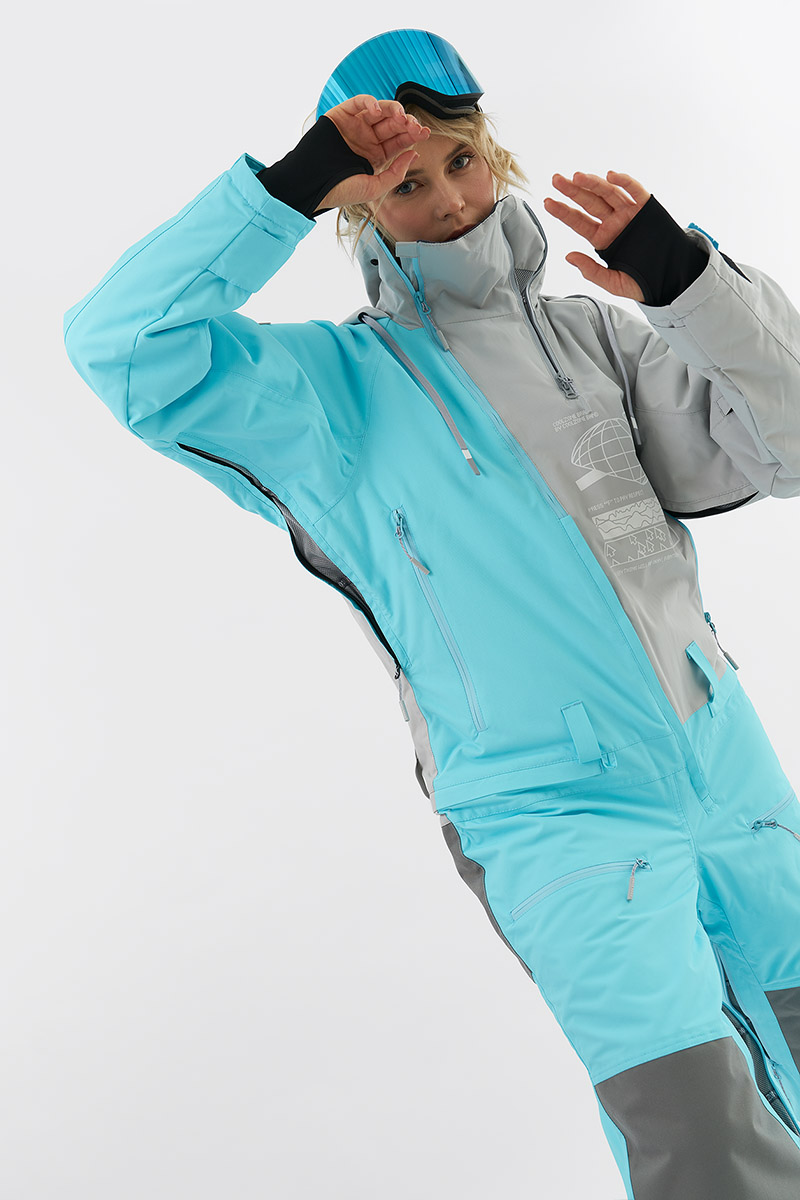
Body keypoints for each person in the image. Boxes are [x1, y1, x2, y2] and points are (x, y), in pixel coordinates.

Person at [63, 28, 800, 1200]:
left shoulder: (596, 340)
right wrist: (285, 188)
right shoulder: (325, 396)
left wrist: (689, 288)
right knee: (699, 1138)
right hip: (554, 818)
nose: (450, 201)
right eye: (406, 184)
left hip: (728, 772)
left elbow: (786, 442)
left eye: (462, 163)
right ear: (359, 208)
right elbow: (120, 346)